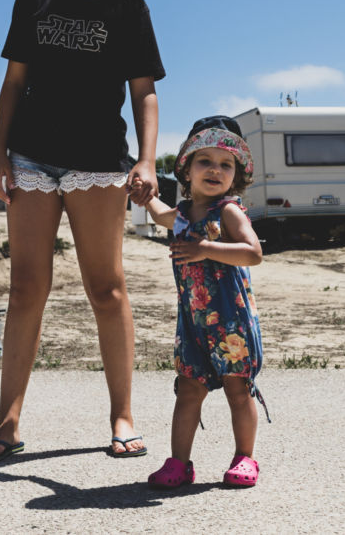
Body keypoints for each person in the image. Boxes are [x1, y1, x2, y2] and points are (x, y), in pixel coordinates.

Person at [0, 0, 164, 464]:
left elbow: (144, 91)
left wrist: (147, 161)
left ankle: (122, 416)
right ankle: (7, 423)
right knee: (26, 287)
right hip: (31, 158)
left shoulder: (127, 6)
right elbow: (13, 83)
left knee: (106, 288)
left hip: (98, 162)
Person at [134, 116, 269, 489]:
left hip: (231, 320)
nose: (215, 169)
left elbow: (253, 252)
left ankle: (245, 458)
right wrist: (145, 195)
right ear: (186, 169)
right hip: (193, 321)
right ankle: (179, 463)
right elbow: (159, 213)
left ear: (236, 175)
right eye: (205, 161)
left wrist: (207, 248)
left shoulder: (228, 211)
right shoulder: (182, 215)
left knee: (237, 388)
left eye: (226, 164)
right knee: (188, 389)